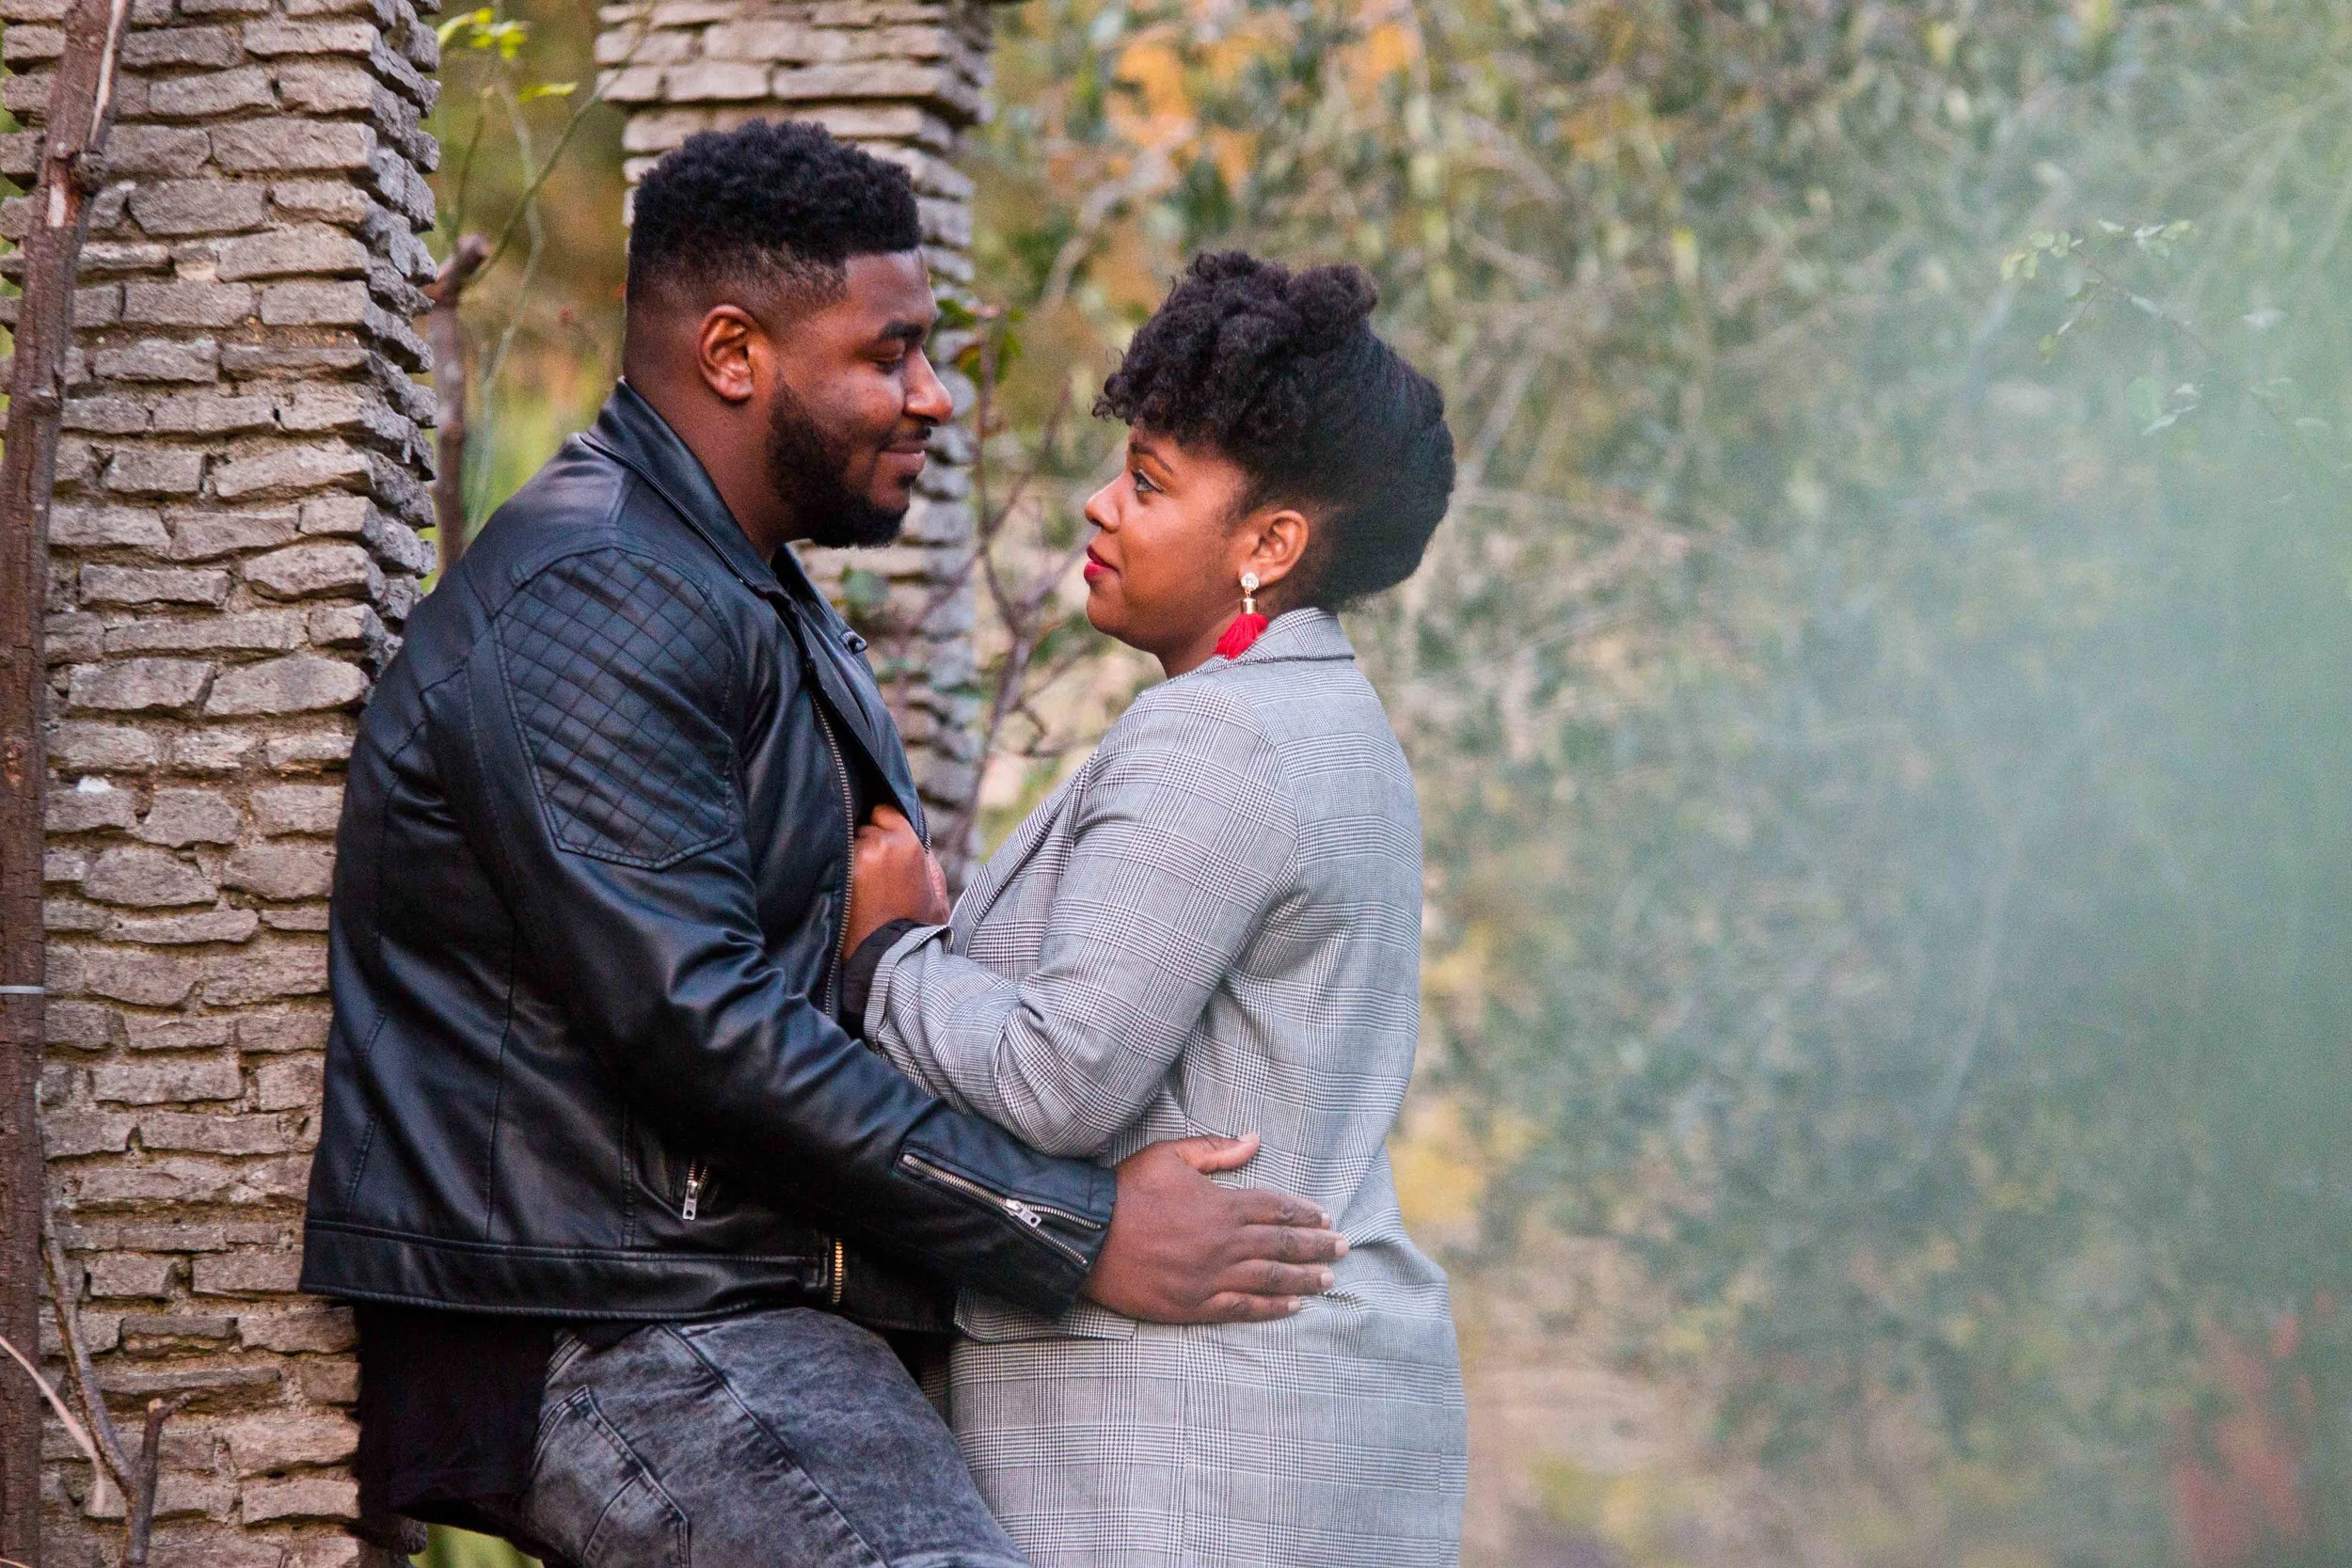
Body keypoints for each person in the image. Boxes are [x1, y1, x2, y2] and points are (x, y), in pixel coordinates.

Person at [299, 124, 1346, 1568]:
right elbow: (697, 1024)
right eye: (890, 353)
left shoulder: (743, 591)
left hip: (743, 1290)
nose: (934, 397)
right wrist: (1076, 1227)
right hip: (608, 1317)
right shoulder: (600, 590)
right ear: (734, 353)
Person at [840, 252, 1469, 1568]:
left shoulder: (1224, 738)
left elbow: (1059, 1076)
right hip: (1296, 1415)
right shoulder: (1329, 721)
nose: (1101, 502)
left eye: (1149, 482)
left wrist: (890, 953)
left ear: (1269, 546)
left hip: (1187, 1450)